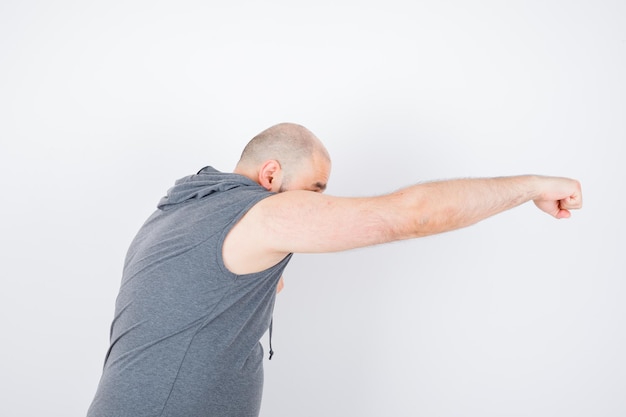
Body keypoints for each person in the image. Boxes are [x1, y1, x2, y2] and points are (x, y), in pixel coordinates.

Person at [87, 122, 582, 417]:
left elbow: (203, 295)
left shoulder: (175, 215)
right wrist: (533, 185)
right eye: (316, 189)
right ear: (272, 175)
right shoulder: (259, 212)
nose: (319, 203)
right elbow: (412, 216)